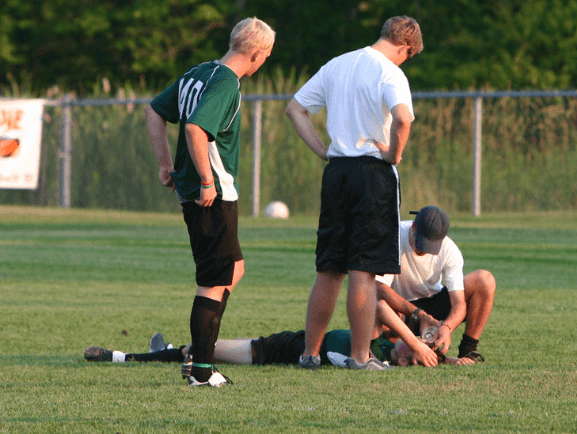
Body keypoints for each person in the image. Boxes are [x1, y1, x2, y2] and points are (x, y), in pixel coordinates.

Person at [284, 16, 423, 371]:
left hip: (337, 173)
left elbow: (295, 109)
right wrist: (395, 154)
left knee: (329, 268)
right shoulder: (390, 73)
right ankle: (361, 357)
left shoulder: (337, 64)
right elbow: (404, 118)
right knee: (363, 269)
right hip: (372, 175)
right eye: (409, 55)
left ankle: (309, 353)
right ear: (406, 47)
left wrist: (321, 150)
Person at [144, 17, 275, 386]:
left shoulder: (199, 72)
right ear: (255, 53)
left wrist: (165, 165)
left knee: (233, 269)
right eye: (266, 55)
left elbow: (154, 110)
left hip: (200, 189)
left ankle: (201, 352)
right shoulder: (226, 82)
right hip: (211, 194)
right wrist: (205, 180)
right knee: (214, 280)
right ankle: (201, 369)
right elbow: (194, 128)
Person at [83, 299, 471, 369]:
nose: (417, 339)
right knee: (200, 348)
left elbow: (380, 309)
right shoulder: (380, 339)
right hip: (287, 342)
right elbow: (384, 307)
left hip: (279, 351)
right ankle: (158, 351)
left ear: (408, 358)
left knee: (203, 350)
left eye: (414, 347)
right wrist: (424, 331)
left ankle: (122, 357)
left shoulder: (378, 354)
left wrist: (434, 351)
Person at [375, 206, 496, 362]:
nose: (425, 250)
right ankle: (402, 350)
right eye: (422, 243)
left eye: (431, 245)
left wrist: (447, 327)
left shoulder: (449, 249)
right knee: (377, 304)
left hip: (433, 302)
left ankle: (468, 351)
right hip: (400, 309)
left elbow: (459, 303)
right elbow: (380, 288)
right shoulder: (392, 238)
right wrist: (418, 313)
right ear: (413, 227)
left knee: (485, 280)